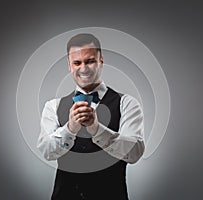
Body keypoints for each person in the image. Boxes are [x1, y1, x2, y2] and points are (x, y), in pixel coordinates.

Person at [37, 33, 145, 200]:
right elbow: (47, 152)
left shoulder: (127, 103)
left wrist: (97, 129)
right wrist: (70, 128)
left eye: (90, 61)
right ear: (69, 65)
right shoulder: (53, 106)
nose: (83, 68)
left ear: (101, 61)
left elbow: (135, 153)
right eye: (77, 63)